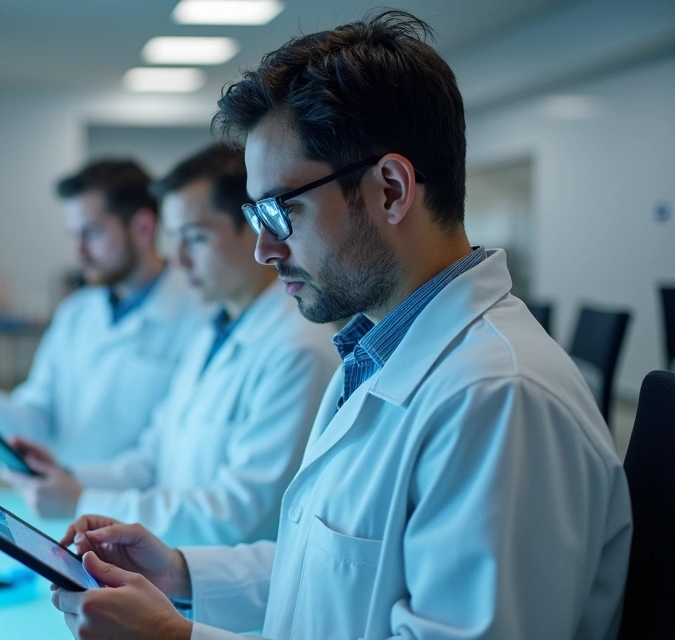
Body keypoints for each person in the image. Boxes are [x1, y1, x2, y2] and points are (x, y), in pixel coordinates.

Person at [48, 11, 631, 640]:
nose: (264, 251)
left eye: (280, 210)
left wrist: (174, 637)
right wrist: (182, 572)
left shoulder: (497, 399)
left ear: (389, 189)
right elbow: (332, 576)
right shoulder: (376, 353)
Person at [0, 145, 338, 547]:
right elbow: (152, 459)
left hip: (224, 596)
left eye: (194, 238)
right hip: (174, 572)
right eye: (173, 238)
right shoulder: (212, 332)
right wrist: (69, 477)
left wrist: (81, 500)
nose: (177, 260)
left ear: (253, 229)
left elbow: (238, 513)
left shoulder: (298, 350)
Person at [0, 160, 203, 466]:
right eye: (74, 235)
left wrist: (80, 490)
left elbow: (173, 452)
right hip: (67, 504)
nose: (77, 253)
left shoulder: (199, 315)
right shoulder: (75, 312)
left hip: (136, 509)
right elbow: (36, 418)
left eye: (91, 234)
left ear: (143, 228)